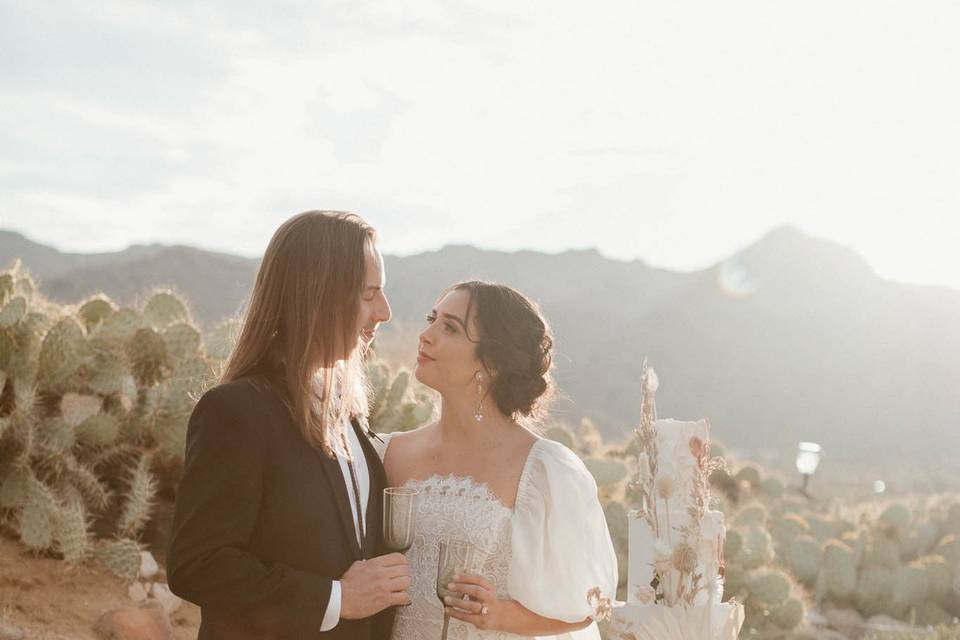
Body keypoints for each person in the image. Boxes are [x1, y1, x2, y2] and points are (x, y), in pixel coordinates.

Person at [167, 211, 410, 639]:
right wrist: (335, 598)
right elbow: (198, 565)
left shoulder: (348, 414)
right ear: (319, 296)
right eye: (370, 293)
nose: (385, 312)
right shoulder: (236, 411)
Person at [375, 281, 618, 640]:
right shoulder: (385, 451)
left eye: (450, 327)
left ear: (492, 363)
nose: (425, 336)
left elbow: (588, 606)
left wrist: (501, 615)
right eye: (432, 319)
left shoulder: (543, 470)